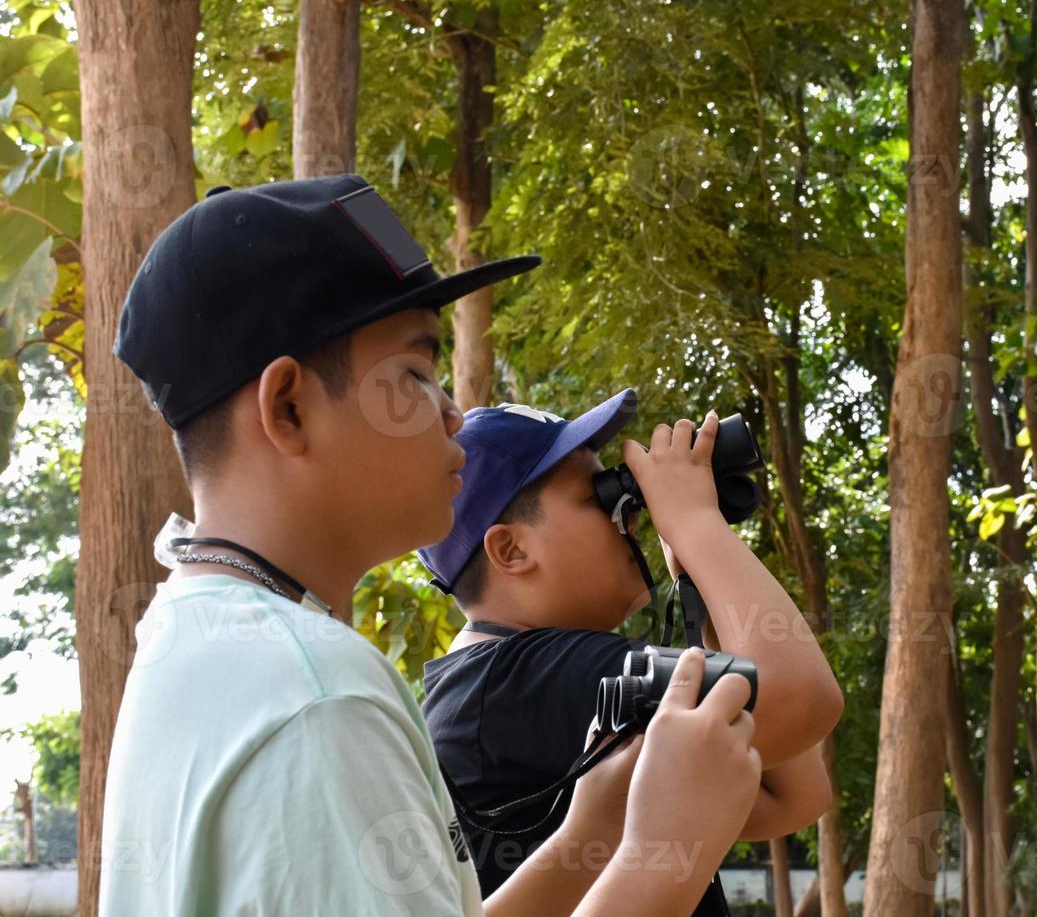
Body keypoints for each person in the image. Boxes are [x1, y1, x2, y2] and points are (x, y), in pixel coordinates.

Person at [100, 173, 762, 916]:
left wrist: (594, 833)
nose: (452, 415)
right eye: (415, 374)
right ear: (288, 408)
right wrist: (657, 856)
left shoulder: (198, 634)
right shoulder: (317, 696)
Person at [416, 390, 845, 915]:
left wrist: (699, 567)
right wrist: (693, 524)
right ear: (511, 550)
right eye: (599, 497)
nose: (632, 517)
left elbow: (792, 795)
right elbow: (804, 700)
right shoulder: (539, 673)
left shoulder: (490, 684)